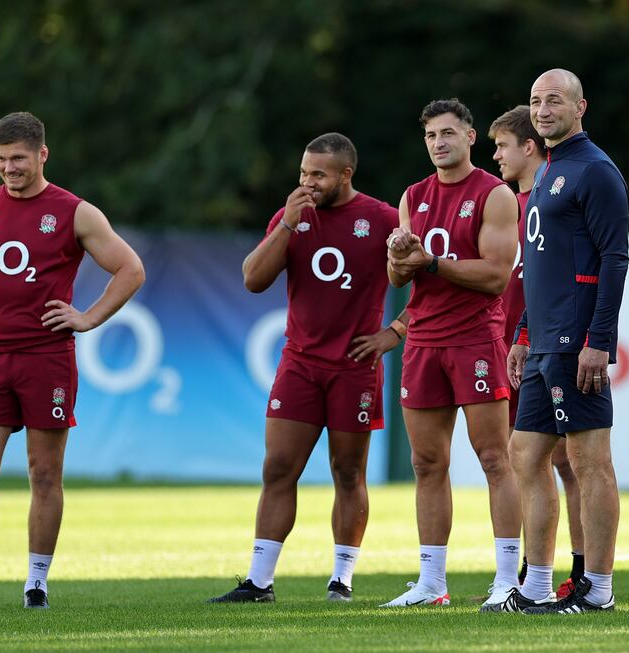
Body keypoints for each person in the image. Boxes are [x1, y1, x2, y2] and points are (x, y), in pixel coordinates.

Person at [0, 112, 145, 611]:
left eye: (18, 158)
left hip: (47, 358)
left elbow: (130, 268)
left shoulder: (75, 212)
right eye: (0, 159)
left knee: (44, 474)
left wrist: (88, 317)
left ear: (42, 154)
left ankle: (36, 584)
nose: (9, 168)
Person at [208, 133, 401, 604]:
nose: (307, 182)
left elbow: (435, 288)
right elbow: (253, 279)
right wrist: (287, 225)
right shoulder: (291, 216)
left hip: (354, 367)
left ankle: (341, 580)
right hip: (299, 363)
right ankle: (259, 582)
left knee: (348, 472)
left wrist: (394, 333)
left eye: (318, 174)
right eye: (303, 173)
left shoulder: (383, 219)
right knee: (278, 468)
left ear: (345, 175)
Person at [381, 98, 522, 611]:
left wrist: (431, 262)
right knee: (425, 463)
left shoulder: (494, 194)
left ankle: (507, 579)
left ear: (469, 136)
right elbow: (398, 276)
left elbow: (496, 275)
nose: (438, 143)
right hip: (423, 341)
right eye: (430, 136)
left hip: (475, 338)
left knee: (494, 458)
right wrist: (400, 256)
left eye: (447, 133)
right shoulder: (413, 195)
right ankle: (431, 583)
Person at [505, 69, 629, 615]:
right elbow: (540, 265)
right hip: (542, 343)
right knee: (525, 454)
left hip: (576, 340)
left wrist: (599, 340)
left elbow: (614, 259)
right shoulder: (548, 170)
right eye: (535, 100)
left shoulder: (595, 170)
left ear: (581, 107)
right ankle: (535, 585)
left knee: (589, 461)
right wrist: (523, 333)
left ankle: (597, 589)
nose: (543, 109)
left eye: (554, 100)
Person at [488, 106, 586, 602]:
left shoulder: (553, 200)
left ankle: (582, 572)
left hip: (554, 345)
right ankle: (531, 573)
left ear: (529, 147)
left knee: (569, 461)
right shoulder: (505, 206)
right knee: (525, 459)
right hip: (514, 346)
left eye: (502, 146)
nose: (496, 156)